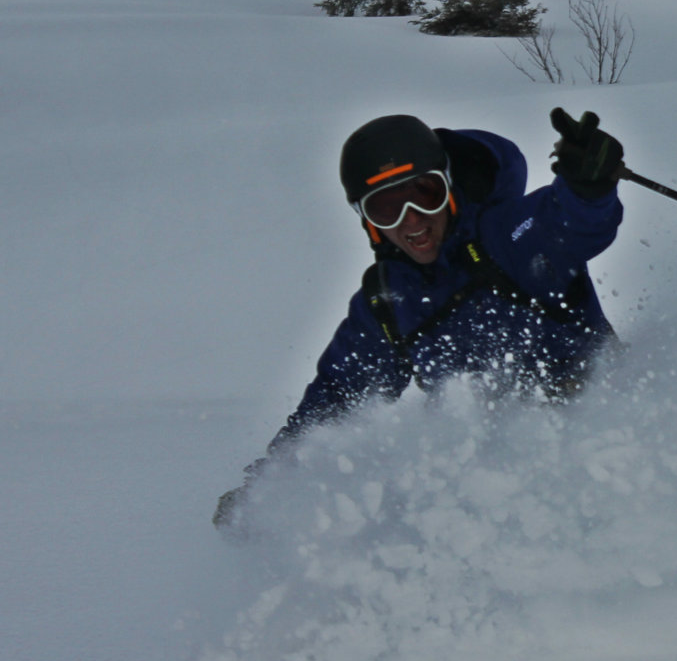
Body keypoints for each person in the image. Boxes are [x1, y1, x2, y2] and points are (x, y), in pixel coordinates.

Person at [213, 108, 627, 537]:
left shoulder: (504, 239)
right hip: (496, 482)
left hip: (598, 437)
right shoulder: (389, 303)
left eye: (423, 194)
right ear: (367, 220)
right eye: (386, 207)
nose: (410, 220)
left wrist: (587, 188)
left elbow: (563, 220)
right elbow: (336, 401)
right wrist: (270, 489)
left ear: (448, 189)